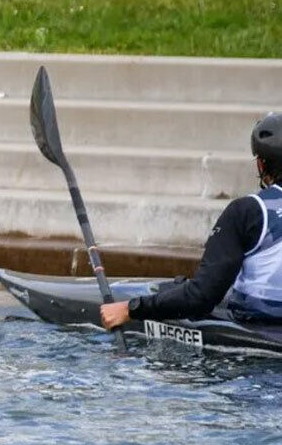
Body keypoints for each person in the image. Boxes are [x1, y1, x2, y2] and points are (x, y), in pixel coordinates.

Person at [102, 114, 282, 329]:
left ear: (261, 164)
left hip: (259, 324)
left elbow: (201, 297)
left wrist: (131, 309)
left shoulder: (247, 211)